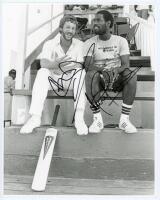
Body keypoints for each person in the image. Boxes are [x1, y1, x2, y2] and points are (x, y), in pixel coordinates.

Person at [20, 15, 88, 135]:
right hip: (54, 80)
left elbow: (80, 65)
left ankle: (79, 117)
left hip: (70, 81)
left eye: (73, 28)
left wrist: (60, 67)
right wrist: (55, 64)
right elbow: (43, 63)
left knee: (81, 73)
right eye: (67, 27)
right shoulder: (49, 43)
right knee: (42, 72)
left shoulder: (79, 44)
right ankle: (35, 117)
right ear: (61, 28)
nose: (70, 31)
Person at [84, 10, 137, 134]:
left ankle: (124, 120)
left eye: (98, 20)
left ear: (108, 23)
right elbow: (88, 65)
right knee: (90, 75)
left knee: (131, 74)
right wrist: (104, 71)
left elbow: (125, 64)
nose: (94, 23)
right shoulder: (89, 43)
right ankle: (97, 119)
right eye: (94, 20)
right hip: (99, 79)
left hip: (117, 78)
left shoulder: (120, 41)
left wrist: (115, 71)